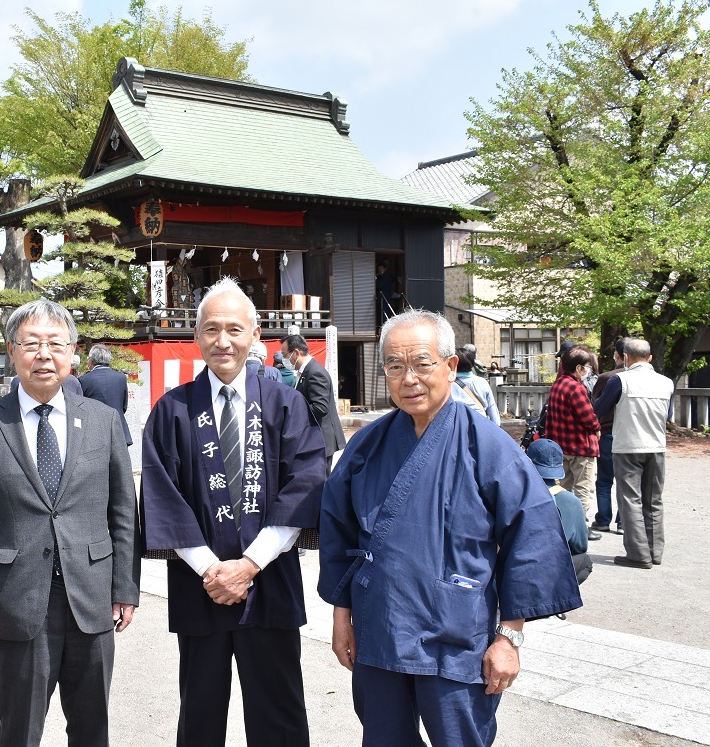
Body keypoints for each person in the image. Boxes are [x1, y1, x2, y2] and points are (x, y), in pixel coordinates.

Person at [319, 309, 581, 747]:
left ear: (451, 366)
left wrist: (509, 638)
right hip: (380, 628)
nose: (409, 378)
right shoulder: (367, 445)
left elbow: (529, 539)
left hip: (458, 633)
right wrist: (341, 617)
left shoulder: (489, 446)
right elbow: (339, 534)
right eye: (395, 366)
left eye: (423, 363)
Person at [142, 277, 328, 747]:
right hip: (199, 585)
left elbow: (305, 485)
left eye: (233, 329)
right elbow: (163, 496)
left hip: (269, 581)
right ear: (196, 336)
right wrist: (213, 570)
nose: (222, 341)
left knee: (279, 713)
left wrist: (248, 565)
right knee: (200, 713)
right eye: (210, 329)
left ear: (255, 332)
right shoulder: (173, 410)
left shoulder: (286, 404)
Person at [0, 299, 139, 747]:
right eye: (31, 344)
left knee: (92, 729)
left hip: (91, 597)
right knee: (19, 729)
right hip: (18, 597)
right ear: (12, 351)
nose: (44, 355)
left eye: (56, 344)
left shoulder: (103, 422)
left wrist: (124, 588)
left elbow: (123, 512)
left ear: (73, 352)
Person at [593, 338, 674, 569]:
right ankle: (655, 551)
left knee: (630, 499)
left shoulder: (621, 380)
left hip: (627, 446)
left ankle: (638, 554)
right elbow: (667, 415)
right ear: (650, 357)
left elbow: (599, 410)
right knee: (654, 500)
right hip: (657, 446)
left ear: (625, 357)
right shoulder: (666, 382)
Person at [545, 345, 602, 540]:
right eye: (587, 367)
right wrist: (597, 427)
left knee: (564, 488)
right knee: (583, 489)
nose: (589, 371)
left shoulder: (558, 384)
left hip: (562, 445)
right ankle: (580, 528)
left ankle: (563, 524)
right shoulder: (576, 387)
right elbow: (588, 417)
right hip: (581, 446)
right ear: (578, 368)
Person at [526, 438, 594, 585]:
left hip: (511, 569)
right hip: (546, 570)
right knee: (585, 560)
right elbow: (580, 546)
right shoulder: (572, 502)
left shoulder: (513, 494)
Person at [282, 334, 347, 464]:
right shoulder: (307, 371)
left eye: (285, 355)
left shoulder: (315, 372)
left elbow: (320, 407)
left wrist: (294, 410)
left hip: (322, 438)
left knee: (321, 481)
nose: (284, 359)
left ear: (296, 353)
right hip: (316, 438)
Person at [591, 338, 627, 534]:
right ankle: (623, 521)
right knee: (626, 479)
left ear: (617, 355)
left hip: (608, 432)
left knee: (604, 479)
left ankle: (603, 519)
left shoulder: (607, 377)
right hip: (631, 434)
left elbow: (596, 405)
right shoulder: (648, 379)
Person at [78, 343, 133, 446]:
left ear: (91, 361)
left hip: (94, 432)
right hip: (119, 429)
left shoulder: (84, 380)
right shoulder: (121, 378)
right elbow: (124, 406)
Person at [455, 347, 500, 424]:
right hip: (480, 428)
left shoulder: (446, 384)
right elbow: (494, 417)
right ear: (472, 364)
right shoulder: (482, 382)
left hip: (456, 429)